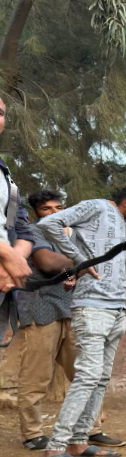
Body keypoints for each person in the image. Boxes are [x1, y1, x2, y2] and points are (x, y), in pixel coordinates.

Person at [33, 185, 126, 457]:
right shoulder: (98, 206)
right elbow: (50, 223)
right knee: (87, 375)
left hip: (114, 309)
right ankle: (53, 449)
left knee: (100, 377)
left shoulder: (120, 224)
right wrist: (77, 260)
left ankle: (77, 441)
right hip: (92, 306)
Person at [16, 191, 124, 450]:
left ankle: (91, 428)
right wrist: (86, 260)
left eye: (58, 207)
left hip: (74, 309)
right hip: (40, 310)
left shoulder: (75, 234)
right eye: (46, 209)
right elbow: (48, 263)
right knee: (36, 377)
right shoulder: (34, 232)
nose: (54, 213)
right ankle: (33, 434)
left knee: (86, 372)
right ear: (36, 214)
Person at [0, 96, 36, 324]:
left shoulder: (6, 176)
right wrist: (6, 255)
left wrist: (13, 263)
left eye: (1, 113)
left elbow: (21, 227)